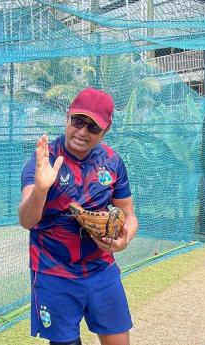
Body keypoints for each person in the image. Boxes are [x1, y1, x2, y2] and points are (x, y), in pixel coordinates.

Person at [19, 88, 138, 345]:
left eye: (93, 127)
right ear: (68, 117)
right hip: (54, 272)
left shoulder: (112, 161)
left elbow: (129, 214)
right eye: (78, 121)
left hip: (101, 269)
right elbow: (26, 220)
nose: (83, 132)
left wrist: (124, 238)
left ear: (105, 131)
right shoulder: (44, 159)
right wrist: (41, 189)